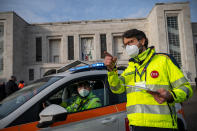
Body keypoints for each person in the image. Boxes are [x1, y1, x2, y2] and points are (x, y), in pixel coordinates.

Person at [104, 29, 193, 131]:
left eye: (131, 42)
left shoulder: (163, 61)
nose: (128, 47)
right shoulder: (130, 68)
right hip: (137, 125)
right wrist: (111, 70)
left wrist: (171, 95)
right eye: (126, 45)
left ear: (142, 41)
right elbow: (117, 89)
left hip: (163, 126)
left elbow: (186, 88)